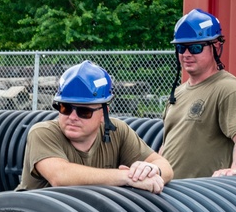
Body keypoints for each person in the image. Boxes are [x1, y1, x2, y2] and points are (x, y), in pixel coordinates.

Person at [16, 60, 173, 192]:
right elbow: (60, 176)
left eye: (84, 111)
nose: (72, 117)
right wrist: (127, 177)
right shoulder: (43, 132)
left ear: (104, 114)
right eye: (65, 108)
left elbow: (165, 167)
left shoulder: (117, 131)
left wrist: (151, 171)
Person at [160, 9, 236, 179]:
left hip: (201, 199)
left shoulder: (229, 89)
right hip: (168, 193)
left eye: (196, 47)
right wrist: (154, 169)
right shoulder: (177, 93)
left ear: (216, 46)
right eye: (181, 47)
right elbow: (169, 144)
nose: (187, 54)